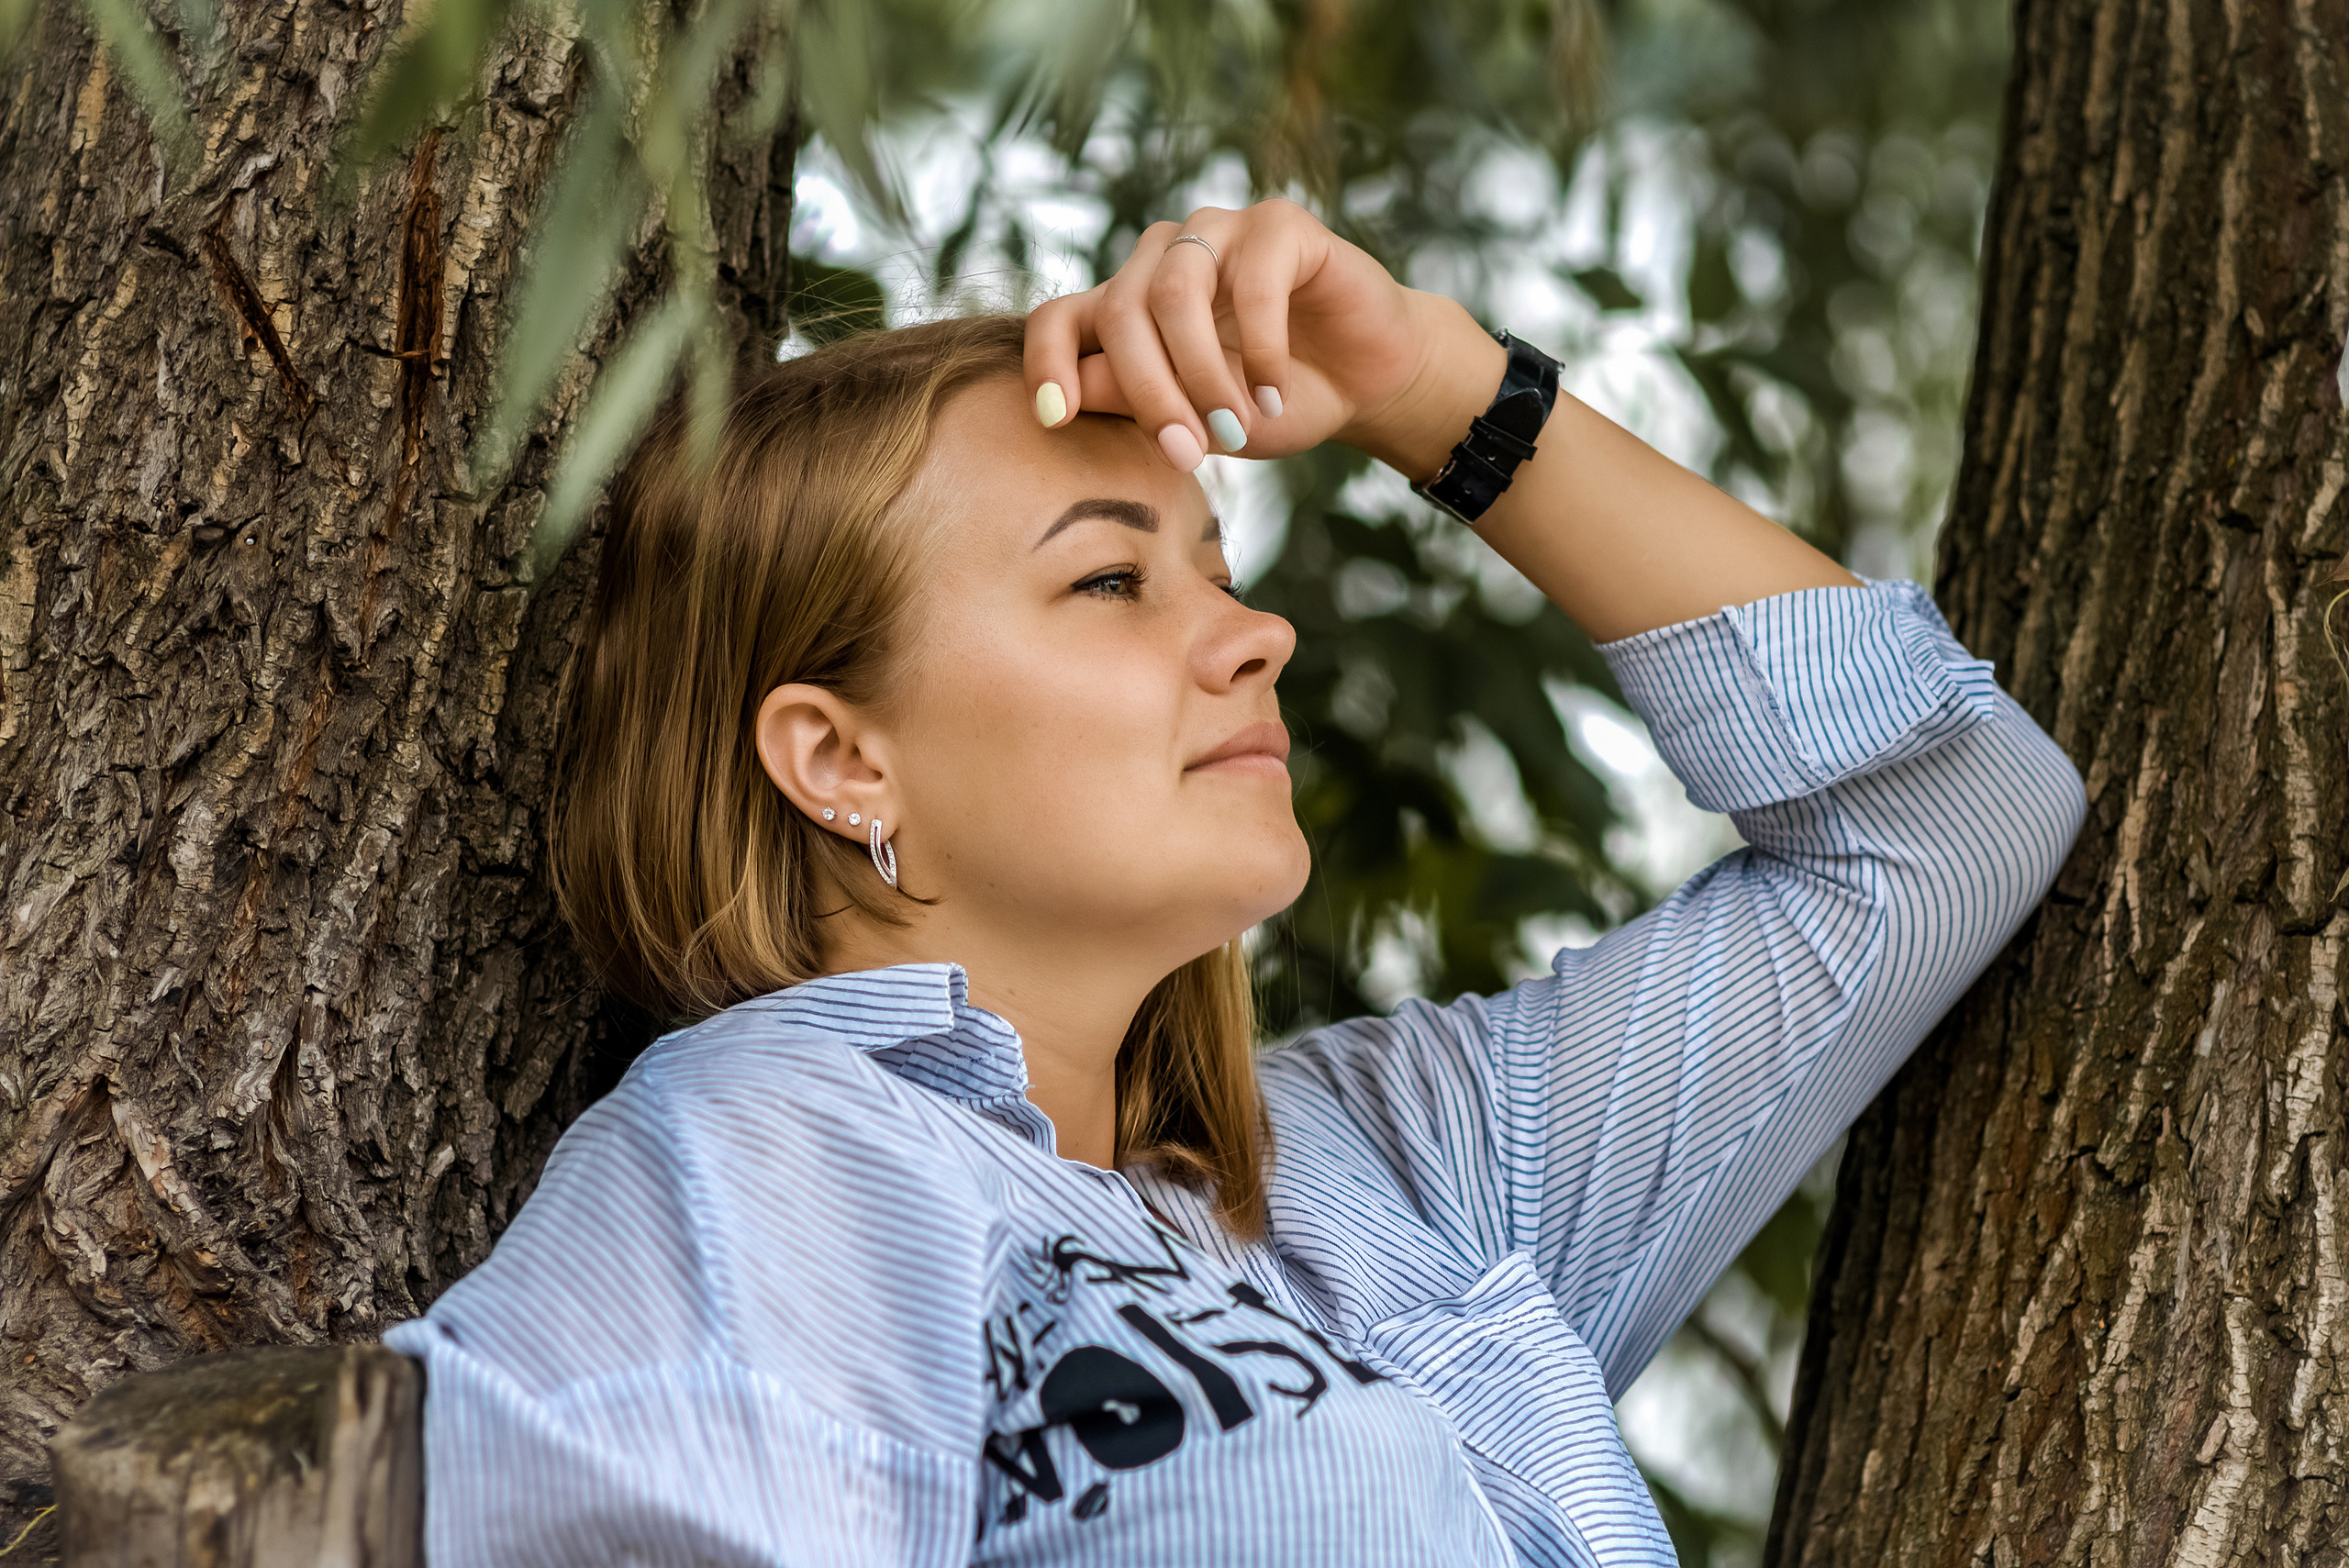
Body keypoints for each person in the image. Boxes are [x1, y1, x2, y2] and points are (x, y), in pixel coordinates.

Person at [384, 198, 2086, 1566]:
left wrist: (1435, 386)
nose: (1256, 634)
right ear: (842, 761)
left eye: (1219, 565)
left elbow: (1947, 821)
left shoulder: (1387, 1166)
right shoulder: (765, 1166)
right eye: (1113, 582)